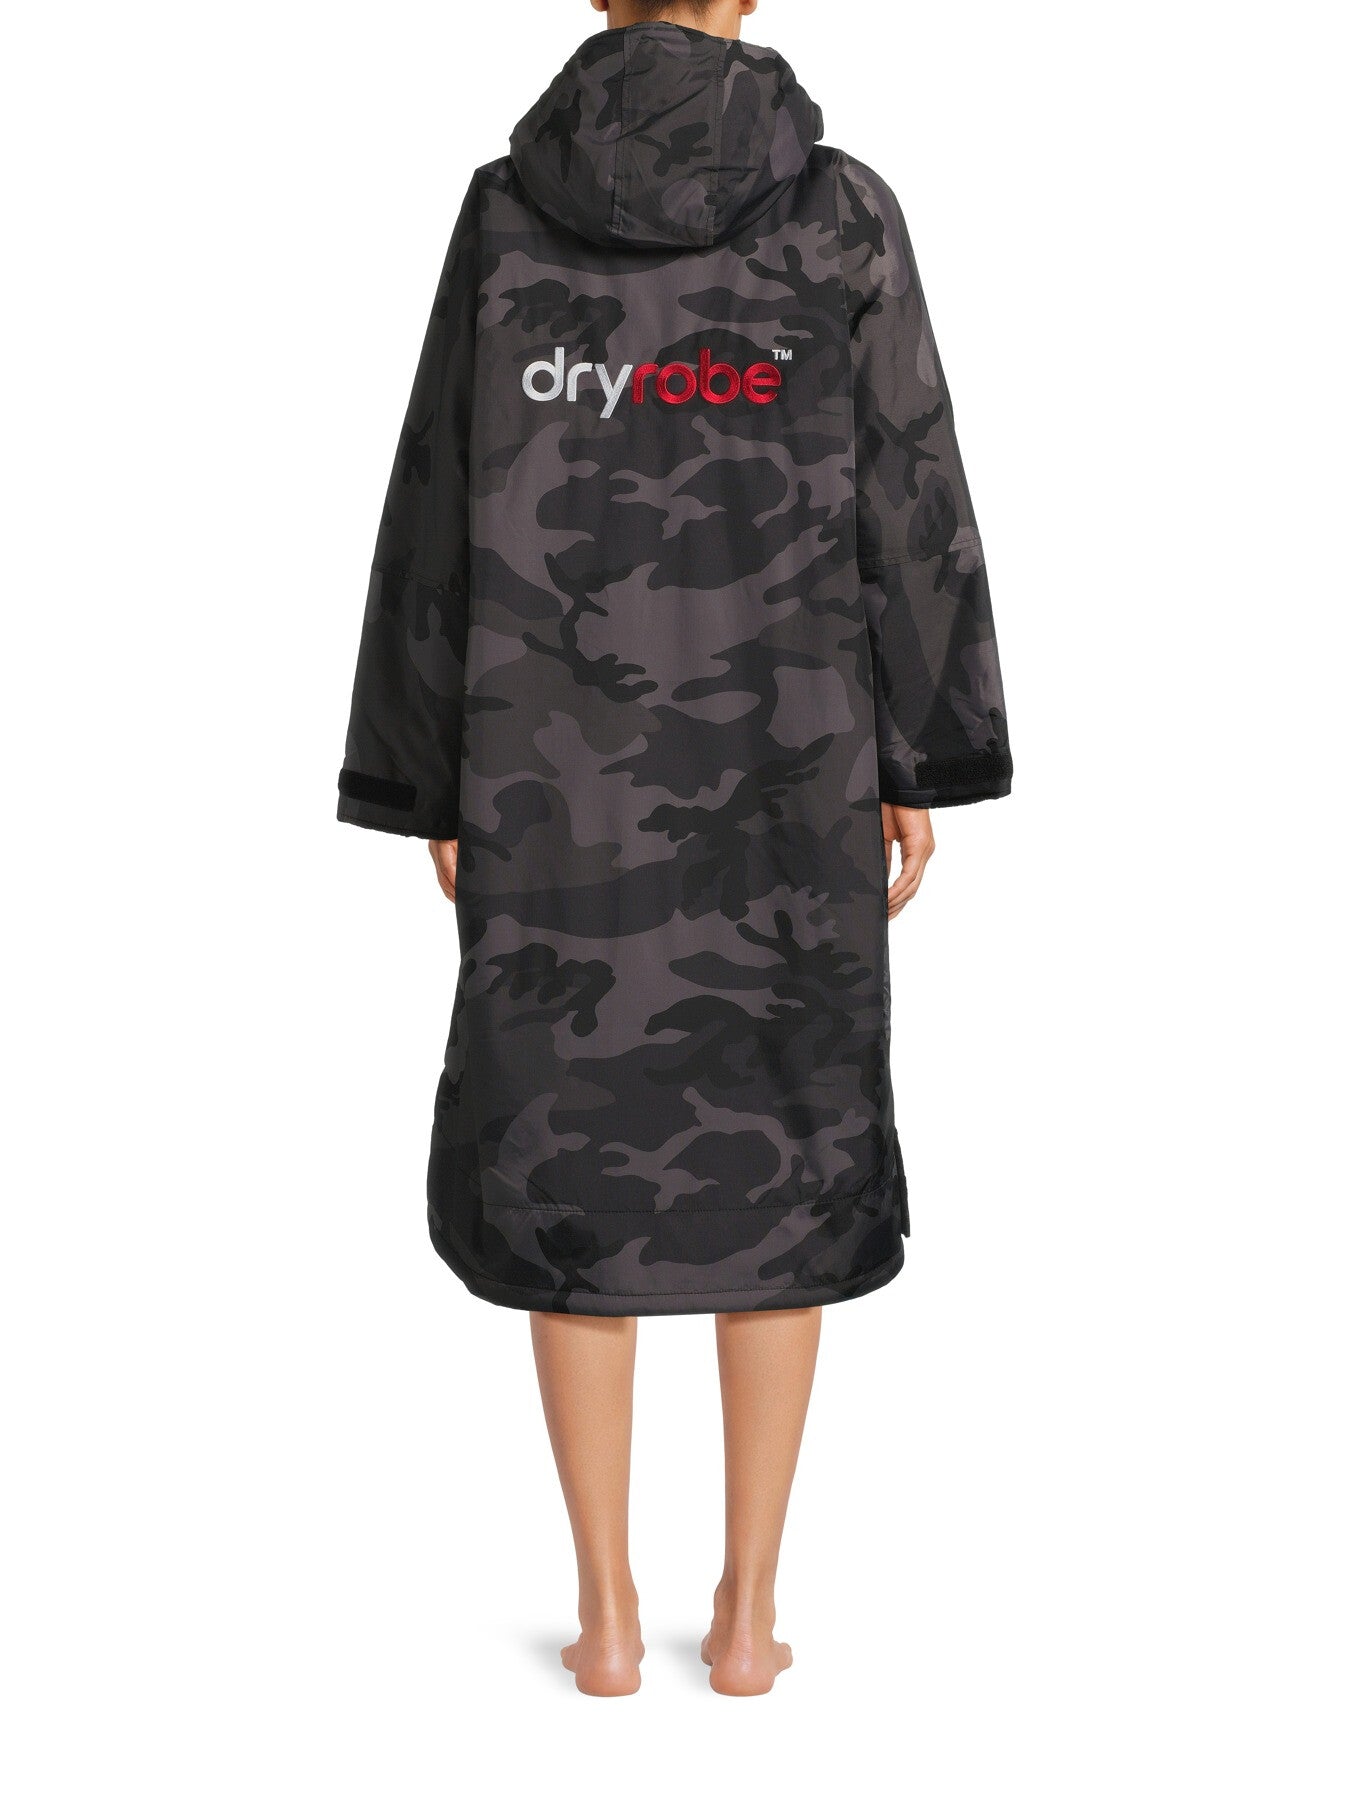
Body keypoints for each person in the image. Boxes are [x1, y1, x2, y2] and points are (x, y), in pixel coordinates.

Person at [337, 0, 1011, 1696]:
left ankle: (605, 1618)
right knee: (781, 1135)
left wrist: (426, 778)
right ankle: (749, 1615)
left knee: (568, 1145)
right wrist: (920, 752)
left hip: (542, 768)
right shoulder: (839, 211)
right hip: (793, 758)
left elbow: (434, 500)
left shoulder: (507, 211)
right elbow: (908, 488)